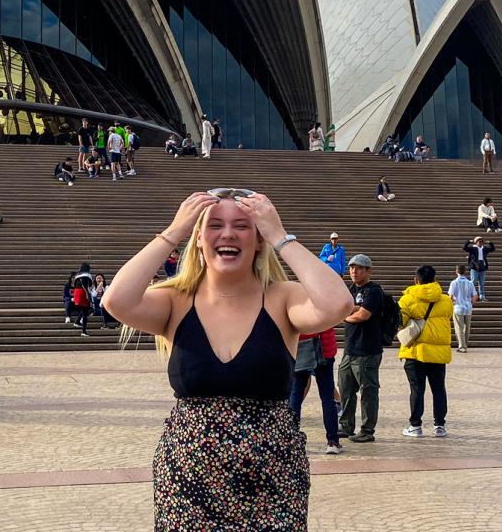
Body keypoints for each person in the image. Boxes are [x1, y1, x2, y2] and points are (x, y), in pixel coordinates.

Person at [101, 189, 354, 528]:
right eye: (214, 225)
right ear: (200, 239)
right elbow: (116, 300)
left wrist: (280, 236)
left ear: (259, 239)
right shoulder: (176, 300)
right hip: (187, 484)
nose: (228, 234)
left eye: (243, 226)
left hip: (273, 481)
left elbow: (338, 304)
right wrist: (174, 232)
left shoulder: (282, 298)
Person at [398, 265, 452, 437]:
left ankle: (415, 426)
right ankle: (439, 426)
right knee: (438, 389)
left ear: (416, 280)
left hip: (416, 352)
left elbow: (400, 322)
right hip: (438, 353)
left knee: (417, 389)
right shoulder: (446, 300)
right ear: (435, 280)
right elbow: (448, 316)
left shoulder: (407, 299)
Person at [338, 254, 384, 444]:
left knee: (368, 391)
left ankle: (367, 430)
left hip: (367, 349)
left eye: (358, 268)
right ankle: (346, 425)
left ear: (368, 271)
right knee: (345, 389)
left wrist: (347, 315)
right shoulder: (349, 289)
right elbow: (339, 308)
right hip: (350, 349)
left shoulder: (373, 291)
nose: (354, 271)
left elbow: (363, 315)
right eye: (351, 268)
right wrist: (351, 311)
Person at [288, 323, 341, 455]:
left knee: (295, 397)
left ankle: (292, 440)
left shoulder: (298, 303)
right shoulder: (325, 302)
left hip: (300, 347)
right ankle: (333, 441)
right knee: (327, 397)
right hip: (324, 348)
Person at [448, 264, 477, 353]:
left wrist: (453, 302)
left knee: (459, 328)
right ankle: (465, 344)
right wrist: (471, 302)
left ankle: (462, 346)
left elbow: (450, 296)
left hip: (458, 308)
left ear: (456, 271)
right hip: (468, 308)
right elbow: (475, 296)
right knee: (467, 328)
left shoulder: (454, 282)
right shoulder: (470, 283)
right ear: (465, 272)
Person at [464, 236, 495, 302]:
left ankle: (482, 296)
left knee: (482, 283)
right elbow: (465, 248)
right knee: (472, 281)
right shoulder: (473, 248)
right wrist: (469, 241)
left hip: (482, 266)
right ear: (476, 242)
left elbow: (492, 249)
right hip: (474, 266)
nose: (480, 243)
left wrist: (490, 243)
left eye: (481, 241)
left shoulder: (484, 249)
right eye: (479, 241)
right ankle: (470, 295)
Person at [69, 263, 96, 337]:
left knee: (84, 309)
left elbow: (74, 285)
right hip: (83, 293)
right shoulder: (87, 275)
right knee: (85, 312)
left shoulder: (77, 275)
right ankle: (84, 331)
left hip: (76, 292)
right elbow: (90, 285)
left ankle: (77, 321)